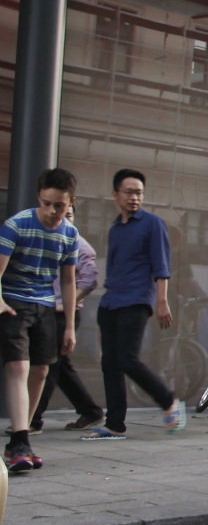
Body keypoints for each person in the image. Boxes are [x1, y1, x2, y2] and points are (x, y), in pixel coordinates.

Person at [84, 169, 185, 440]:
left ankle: (168, 401)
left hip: (137, 300)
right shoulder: (116, 229)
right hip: (111, 302)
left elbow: (161, 265)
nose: (134, 197)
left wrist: (162, 301)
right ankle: (114, 425)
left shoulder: (152, 223)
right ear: (115, 194)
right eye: (129, 192)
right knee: (110, 364)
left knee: (127, 359)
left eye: (139, 192)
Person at [0, 168, 80, 473]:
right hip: (13, 301)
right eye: (46, 203)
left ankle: (21, 439)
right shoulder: (16, 226)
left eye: (59, 205)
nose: (51, 211)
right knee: (18, 366)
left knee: (42, 370)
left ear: (70, 202)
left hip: (45, 305)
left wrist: (70, 326)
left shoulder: (70, 235)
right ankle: (19, 441)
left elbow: (69, 281)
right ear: (39, 197)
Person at [34, 205, 105, 432]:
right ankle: (90, 410)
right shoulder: (51, 241)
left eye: (69, 214)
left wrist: (67, 302)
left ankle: (31, 420)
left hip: (64, 314)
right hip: (47, 310)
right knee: (60, 367)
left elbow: (90, 280)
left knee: (50, 365)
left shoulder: (80, 245)